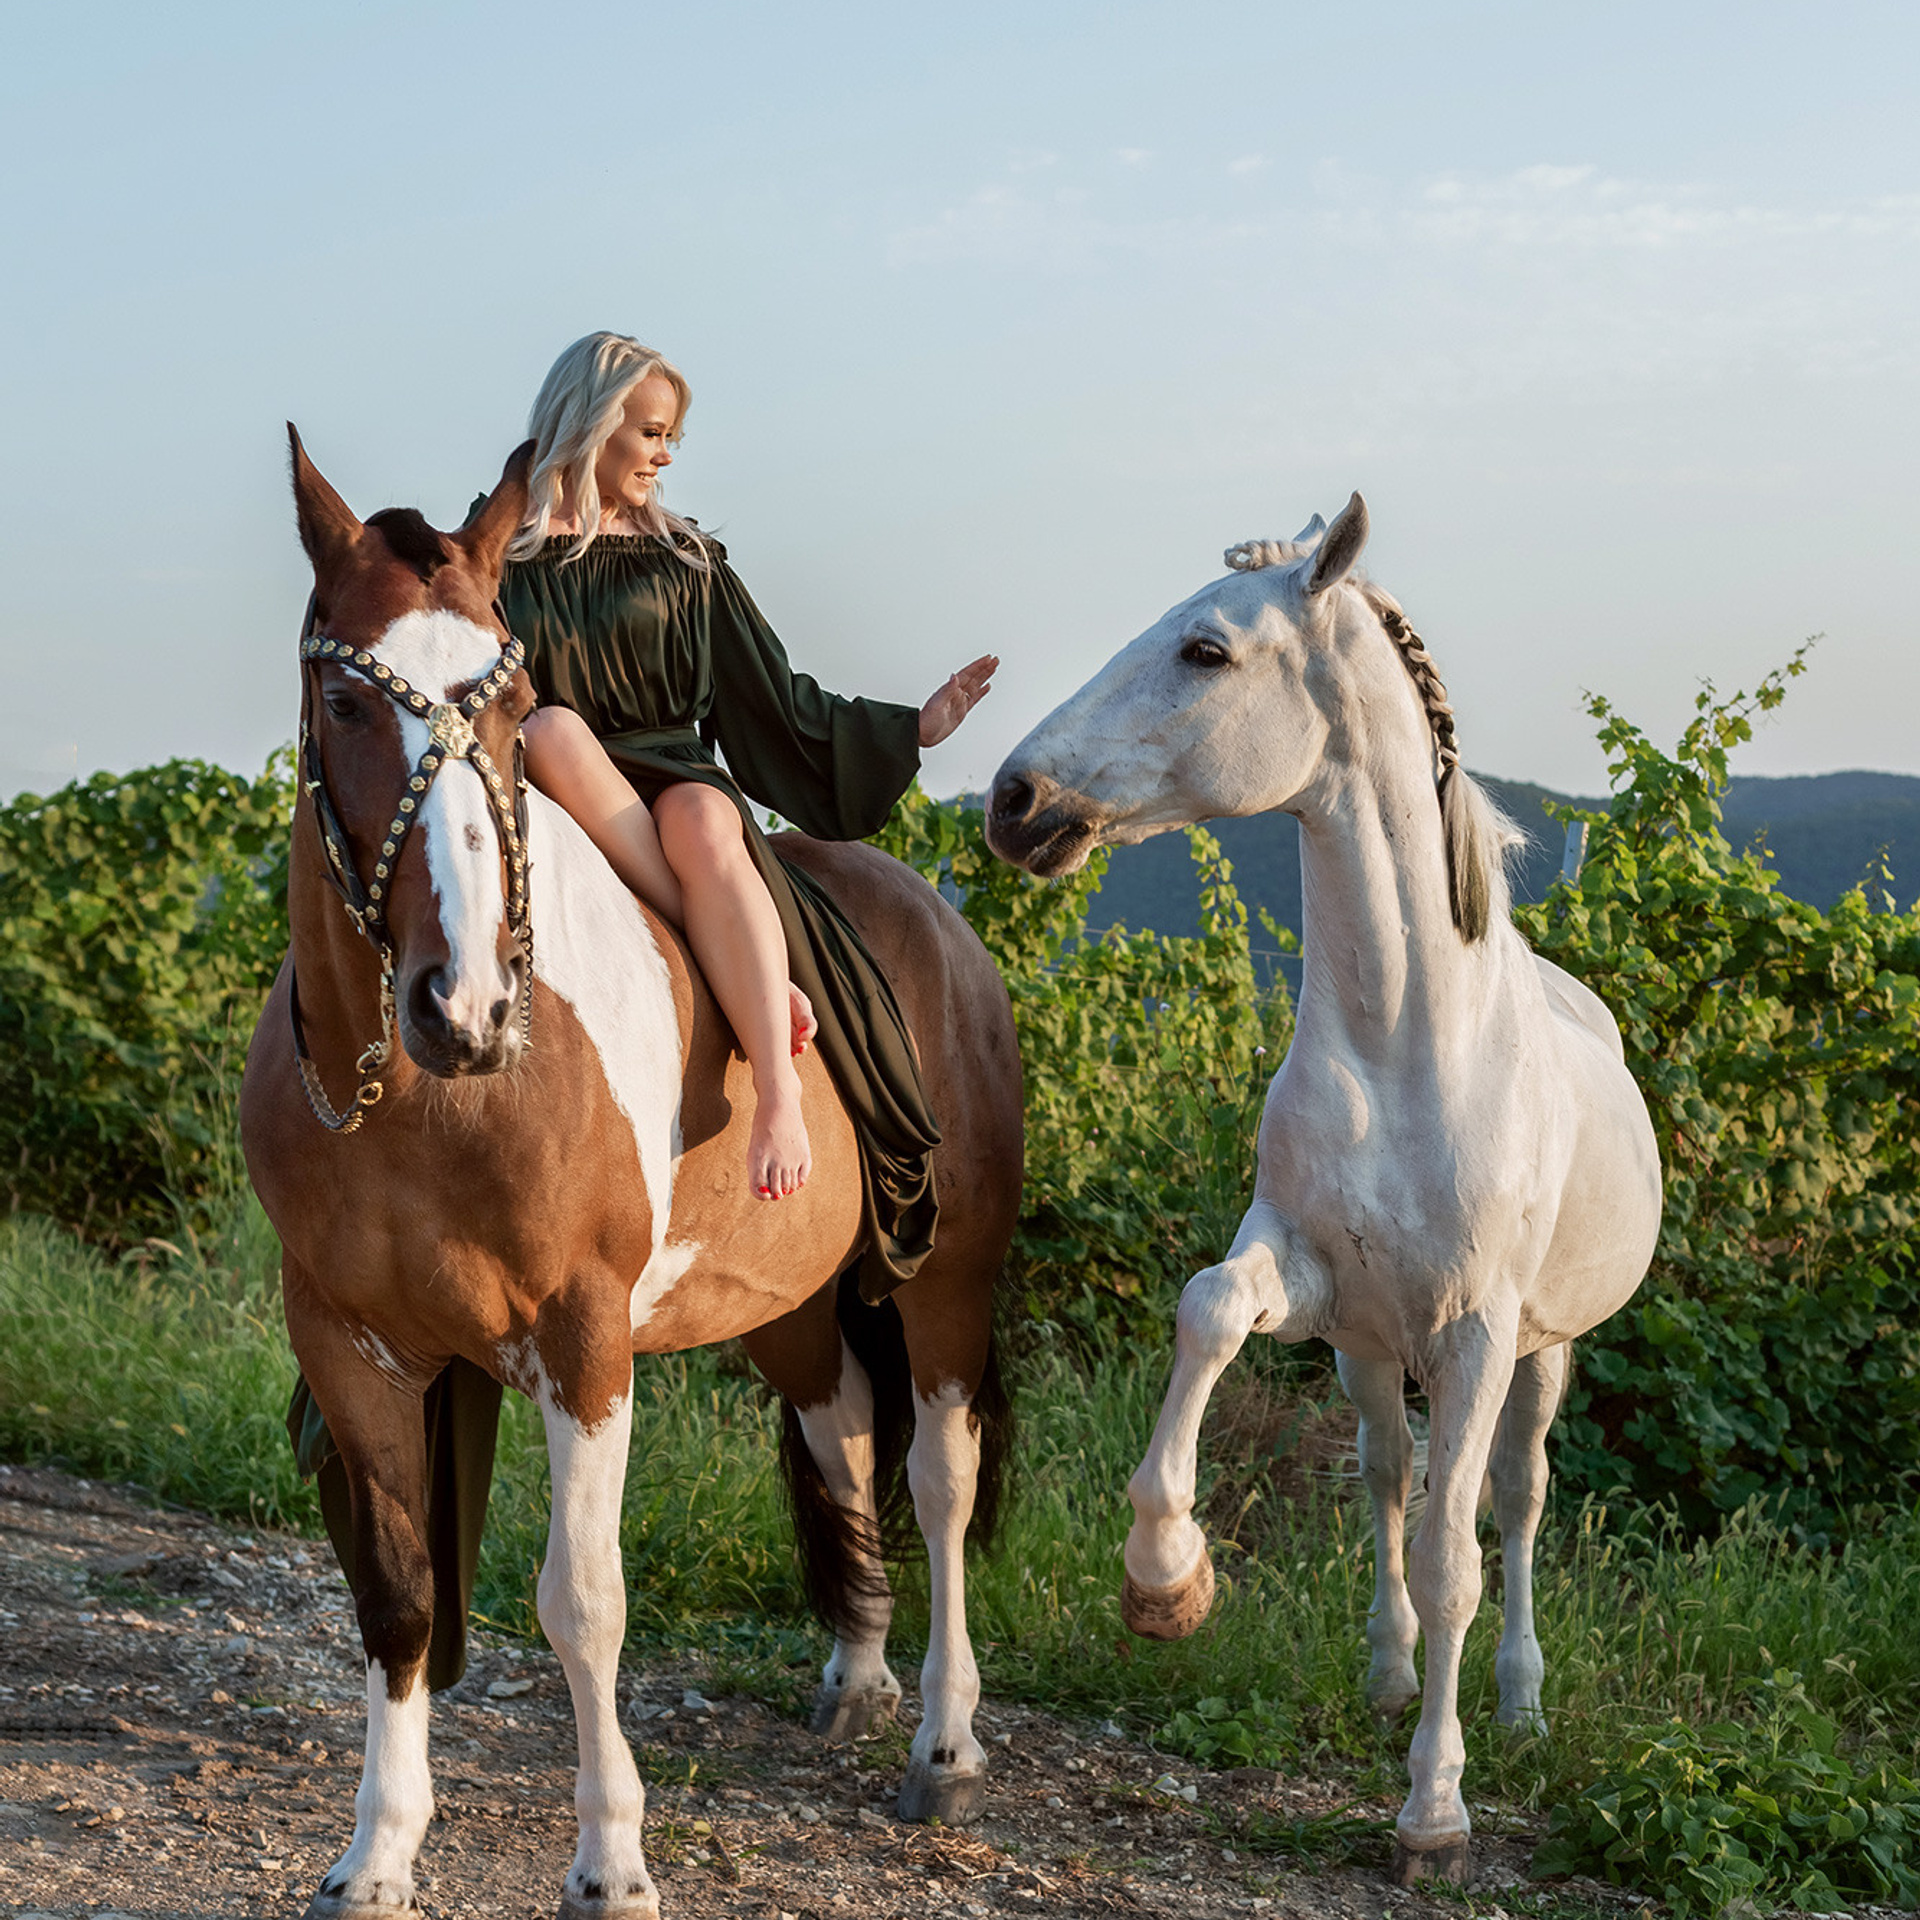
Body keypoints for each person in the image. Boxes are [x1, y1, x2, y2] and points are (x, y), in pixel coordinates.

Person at [501, 330, 996, 1241]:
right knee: (554, 730)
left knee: (701, 814)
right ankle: (747, 965)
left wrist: (911, 730)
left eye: (672, 437)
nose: (665, 454)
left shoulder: (687, 560)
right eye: (650, 432)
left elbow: (774, 698)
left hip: (673, 781)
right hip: (562, 790)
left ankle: (778, 1092)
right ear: (591, 422)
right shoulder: (501, 554)